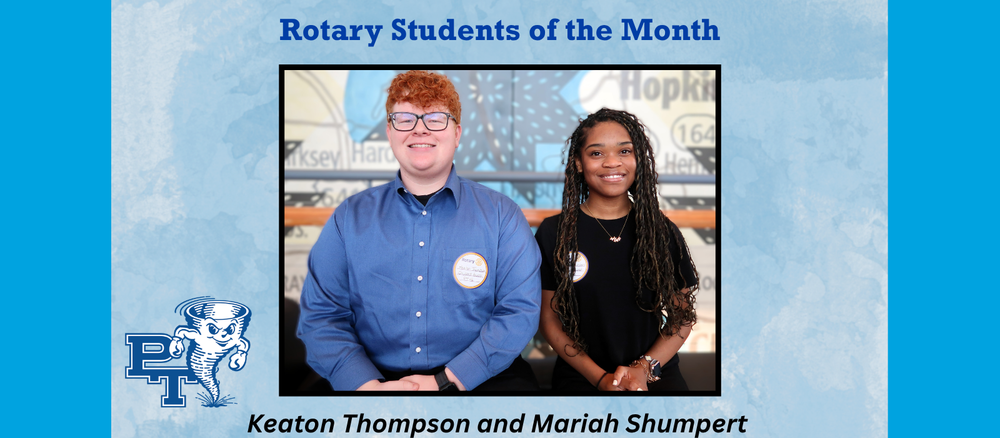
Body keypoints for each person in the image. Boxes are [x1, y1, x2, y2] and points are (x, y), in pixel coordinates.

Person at [297, 70, 541, 391]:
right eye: (405, 119)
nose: (420, 129)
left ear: (457, 133)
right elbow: (322, 316)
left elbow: (519, 311)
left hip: (480, 378)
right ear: (389, 132)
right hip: (373, 379)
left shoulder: (502, 215)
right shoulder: (348, 218)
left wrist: (447, 381)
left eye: (436, 119)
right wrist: (368, 388)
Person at [535, 108, 699, 391]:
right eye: (596, 153)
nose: (612, 162)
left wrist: (643, 369)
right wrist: (600, 378)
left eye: (624, 151)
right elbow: (549, 319)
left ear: (638, 159)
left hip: (654, 376)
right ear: (578, 163)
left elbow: (682, 317)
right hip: (582, 378)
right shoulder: (554, 233)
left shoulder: (661, 230)